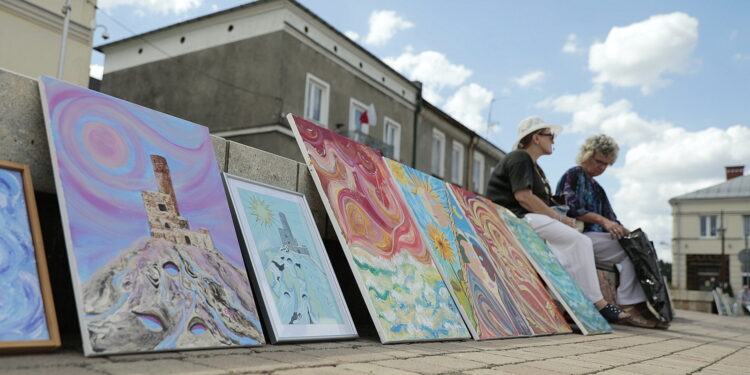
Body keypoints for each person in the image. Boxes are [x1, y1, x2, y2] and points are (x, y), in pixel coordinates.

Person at [486, 116, 630, 324]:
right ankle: (598, 304)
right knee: (579, 241)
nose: (554, 140)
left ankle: (562, 304)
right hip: (513, 219)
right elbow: (524, 197)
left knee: (567, 246)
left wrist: (558, 216)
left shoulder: (535, 167)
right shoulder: (520, 157)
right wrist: (558, 219)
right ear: (536, 138)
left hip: (523, 218)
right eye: (550, 136)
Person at [555, 134, 665, 328]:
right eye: (599, 161)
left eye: (607, 164)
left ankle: (637, 303)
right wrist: (602, 221)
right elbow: (569, 207)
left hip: (596, 240)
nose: (602, 167)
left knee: (635, 245)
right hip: (578, 235)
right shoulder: (573, 175)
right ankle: (629, 304)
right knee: (628, 249)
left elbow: (612, 219)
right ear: (586, 155)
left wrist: (626, 231)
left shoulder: (598, 188)